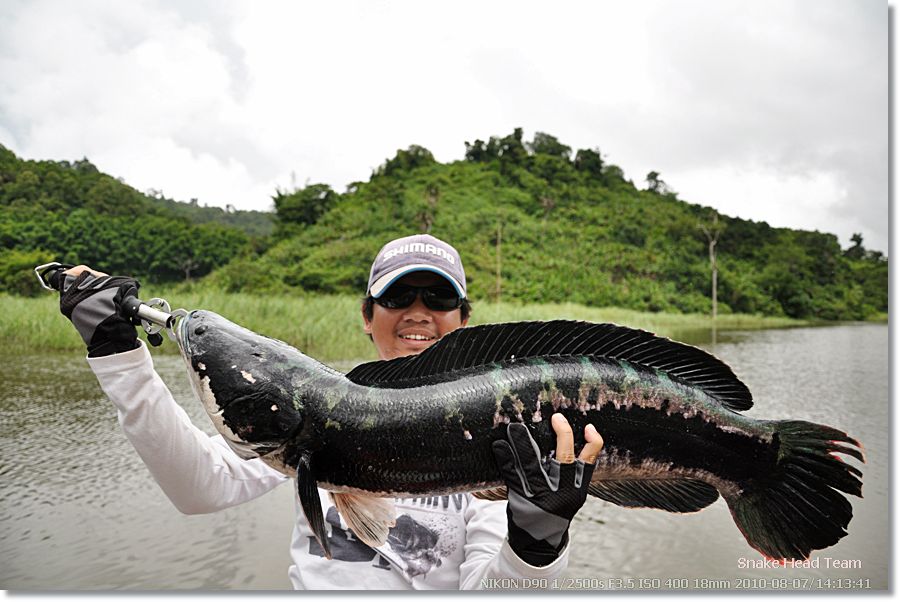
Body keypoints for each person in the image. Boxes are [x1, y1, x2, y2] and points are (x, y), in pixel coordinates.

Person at [57, 233, 603, 589]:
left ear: (462, 319)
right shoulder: (318, 414)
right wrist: (121, 359)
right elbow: (200, 488)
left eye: (437, 300)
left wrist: (536, 544)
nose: (418, 313)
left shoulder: (508, 433)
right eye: (398, 297)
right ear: (368, 315)